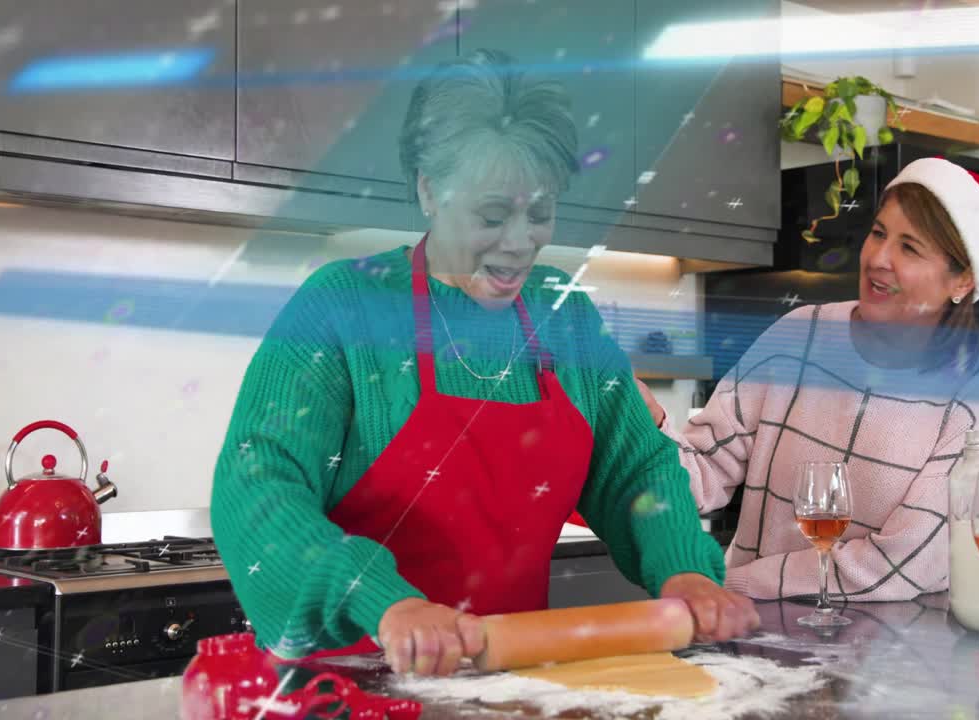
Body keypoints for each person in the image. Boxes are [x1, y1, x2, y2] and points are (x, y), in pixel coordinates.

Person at [211, 49, 758, 677]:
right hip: (350, 684)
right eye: (493, 215)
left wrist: (683, 566)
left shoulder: (563, 314)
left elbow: (633, 469)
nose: (521, 241)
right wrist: (389, 605)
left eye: (541, 212)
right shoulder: (346, 305)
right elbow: (258, 487)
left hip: (512, 684)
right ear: (427, 190)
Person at [636, 157, 979, 602]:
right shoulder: (797, 334)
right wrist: (647, 419)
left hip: (893, 652)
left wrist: (735, 582)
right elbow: (701, 477)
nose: (879, 259)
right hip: (754, 636)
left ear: (963, 280)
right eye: (879, 233)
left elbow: (902, 565)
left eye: (910, 248)